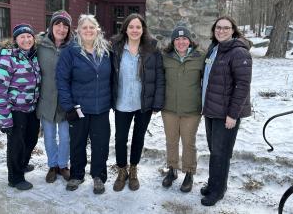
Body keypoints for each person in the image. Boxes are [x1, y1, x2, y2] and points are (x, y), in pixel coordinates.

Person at [56, 14, 112, 195]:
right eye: (84, 27)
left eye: (91, 27)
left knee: (100, 143)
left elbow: (113, 78)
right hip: (78, 108)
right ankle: (77, 174)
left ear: (97, 30)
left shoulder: (106, 51)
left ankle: (98, 176)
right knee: (78, 143)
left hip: (101, 107)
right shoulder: (70, 52)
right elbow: (62, 81)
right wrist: (68, 106)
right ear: (78, 31)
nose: (88, 30)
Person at [200, 16, 252, 206]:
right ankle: (214, 183)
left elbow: (243, 85)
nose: (221, 31)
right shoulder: (215, 49)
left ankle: (218, 191)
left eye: (226, 28)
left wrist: (233, 114)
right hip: (212, 110)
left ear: (233, 31)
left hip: (226, 114)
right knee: (215, 151)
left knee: (221, 153)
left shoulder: (238, 52)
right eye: (218, 28)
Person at [110, 13, 165, 192]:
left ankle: (133, 169)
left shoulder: (152, 49)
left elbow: (159, 77)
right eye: (131, 27)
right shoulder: (115, 48)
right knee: (120, 138)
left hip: (143, 103)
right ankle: (121, 170)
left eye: (138, 27)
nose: (134, 30)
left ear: (143, 30)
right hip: (122, 102)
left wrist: (157, 102)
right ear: (125, 29)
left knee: (138, 138)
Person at [0, 23, 41, 191]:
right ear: (15, 40)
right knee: (16, 144)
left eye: (29, 36)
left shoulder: (33, 56)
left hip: (31, 108)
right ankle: (15, 177)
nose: (26, 40)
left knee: (32, 138)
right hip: (15, 110)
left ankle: (22, 163)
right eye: (22, 37)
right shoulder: (8, 57)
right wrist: (5, 119)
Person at [161, 26, 205, 193]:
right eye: (177, 39)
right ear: (173, 42)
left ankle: (189, 173)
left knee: (188, 143)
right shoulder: (165, 57)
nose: (181, 42)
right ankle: (172, 170)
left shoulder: (200, 57)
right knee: (171, 141)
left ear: (190, 41)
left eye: (184, 39)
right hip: (169, 108)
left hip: (191, 110)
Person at [36, 10, 73, 183]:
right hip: (46, 100)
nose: (61, 28)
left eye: (65, 25)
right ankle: (52, 165)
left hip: (66, 101)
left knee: (65, 136)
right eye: (58, 24)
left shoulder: (74, 46)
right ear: (51, 26)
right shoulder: (39, 45)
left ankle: (63, 165)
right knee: (49, 135)